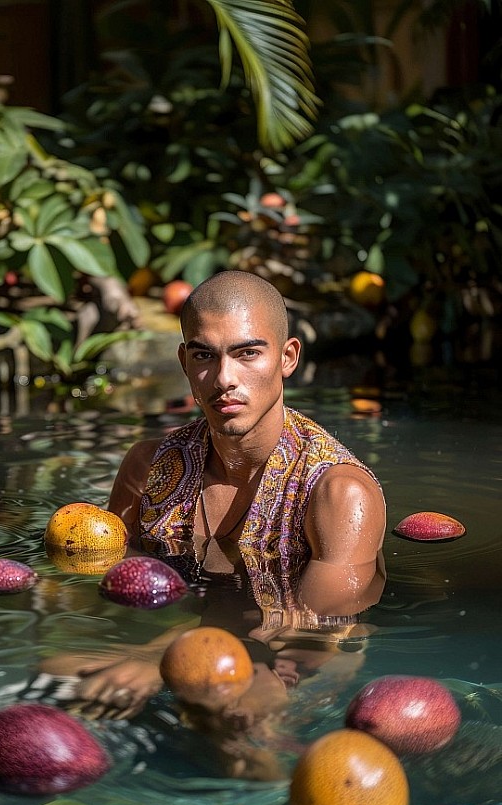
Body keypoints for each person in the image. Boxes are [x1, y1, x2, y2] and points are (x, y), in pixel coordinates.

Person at [41, 270, 386, 727]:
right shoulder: (149, 467)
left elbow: (313, 631)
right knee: (52, 676)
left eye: (247, 353)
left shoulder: (337, 494)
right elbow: (116, 580)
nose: (224, 378)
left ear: (287, 357)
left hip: (291, 661)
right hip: (185, 639)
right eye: (204, 355)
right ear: (184, 361)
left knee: (234, 716)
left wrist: (155, 658)